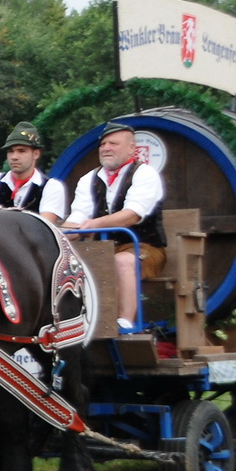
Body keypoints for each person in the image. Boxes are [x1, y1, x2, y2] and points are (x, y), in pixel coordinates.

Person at [63, 120, 165, 332]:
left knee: (121, 261)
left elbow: (132, 216)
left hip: (145, 248)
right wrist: (60, 232)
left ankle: (125, 324)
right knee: (64, 261)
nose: (106, 148)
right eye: (103, 144)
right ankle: (71, 323)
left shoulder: (145, 174)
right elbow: (78, 216)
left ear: (132, 148)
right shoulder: (88, 179)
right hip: (102, 250)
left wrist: (94, 224)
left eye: (114, 143)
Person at [0, 122, 67, 223]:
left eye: (21, 151)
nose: (14, 157)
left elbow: (44, 228)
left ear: (36, 154)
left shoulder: (52, 187)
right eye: (10, 151)